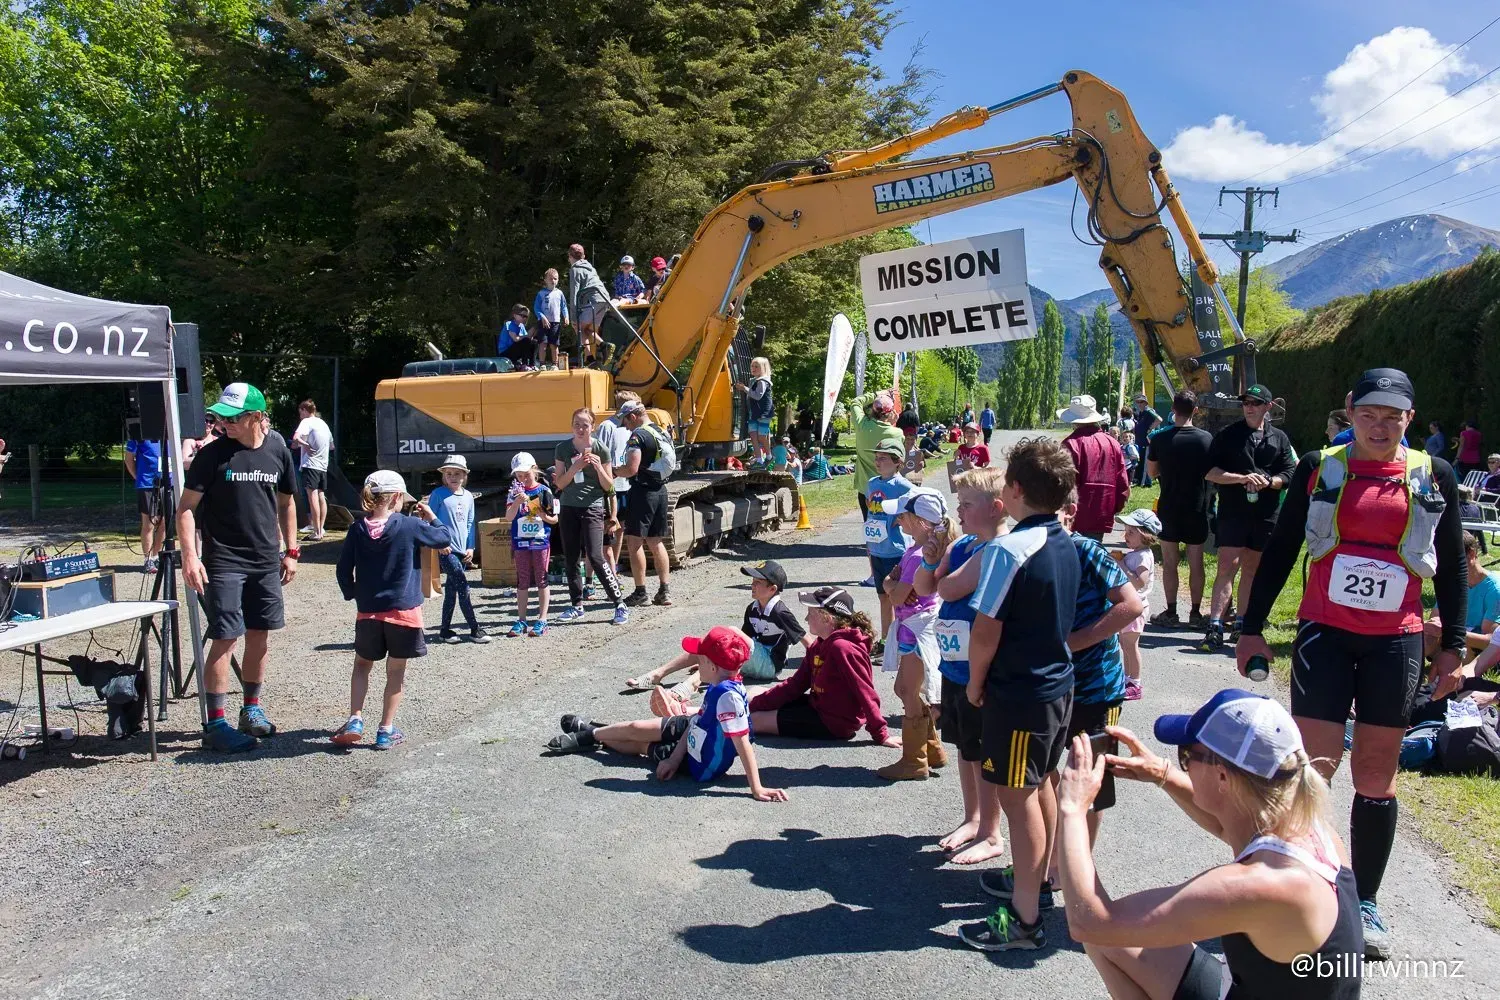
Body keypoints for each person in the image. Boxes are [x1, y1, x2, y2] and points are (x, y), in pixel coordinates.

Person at [1236, 367, 1465, 959]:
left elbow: (1453, 564)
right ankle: (1291, 887)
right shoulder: (1320, 466)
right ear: (1350, 412)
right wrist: (1252, 627)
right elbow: (1285, 544)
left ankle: (1362, 902)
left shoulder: (1432, 474)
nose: (1380, 426)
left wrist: (1455, 646)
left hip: (1397, 639)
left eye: (1393, 417)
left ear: (1409, 421)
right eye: (1369, 414)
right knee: (1312, 768)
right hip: (1326, 635)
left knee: (1376, 771)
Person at [1055, 689, 1361, 998]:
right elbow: (1225, 825)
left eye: (1187, 756)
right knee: (1112, 942)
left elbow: (1089, 921)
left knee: (1105, 935)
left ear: (1223, 779)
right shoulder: (1307, 828)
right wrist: (1162, 773)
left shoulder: (1263, 885)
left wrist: (1072, 808)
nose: (1183, 763)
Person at [957, 436, 1080, 951]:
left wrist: (976, 684)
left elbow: (985, 632)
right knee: (1042, 784)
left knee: (1019, 798)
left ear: (1014, 490)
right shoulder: (1065, 540)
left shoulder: (1009, 549)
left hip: (1018, 692)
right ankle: (1040, 885)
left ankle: (1024, 919)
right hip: (1056, 686)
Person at [1027, 494, 1142, 891]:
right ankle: (1046, 860)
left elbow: (1130, 606)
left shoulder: (1085, 549)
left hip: (1096, 687)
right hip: (1048, 683)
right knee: (1041, 772)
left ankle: (1073, 872)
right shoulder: (1026, 549)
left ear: (1070, 513)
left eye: (1049, 512)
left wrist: (1072, 643)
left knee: (1089, 780)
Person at [178, 383, 299, 753]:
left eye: (232, 418)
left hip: (265, 561)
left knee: (260, 634)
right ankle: (215, 725)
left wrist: (291, 550)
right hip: (224, 561)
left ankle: (252, 711)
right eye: (219, 417)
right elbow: (184, 509)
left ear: (257, 417)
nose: (222, 423)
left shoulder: (278, 447)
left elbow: (287, 502)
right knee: (226, 637)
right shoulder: (211, 455)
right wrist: (190, 556)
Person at [546, 626, 789, 802]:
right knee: (637, 728)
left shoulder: (728, 697)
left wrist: (756, 788)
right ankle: (592, 732)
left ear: (713, 667)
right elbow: (697, 721)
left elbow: (743, 743)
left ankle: (592, 736)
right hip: (694, 733)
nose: (695, 663)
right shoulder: (720, 683)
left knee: (642, 745)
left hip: (697, 761)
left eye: (699, 660)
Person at [917, 467, 1011, 864]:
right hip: (954, 665)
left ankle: (992, 830)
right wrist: (932, 556)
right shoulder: (965, 545)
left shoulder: (999, 549)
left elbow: (947, 588)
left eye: (967, 503)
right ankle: (972, 818)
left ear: (995, 508)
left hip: (982, 668)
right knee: (965, 747)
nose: (959, 509)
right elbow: (924, 586)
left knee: (986, 751)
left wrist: (943, 573)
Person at [331, 471, 453, 749]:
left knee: (362, 665)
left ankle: (355, 718)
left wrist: (353, 593)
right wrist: (431, 515)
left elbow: (342, 569)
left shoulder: (357, 528)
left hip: (369, 612)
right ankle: (385, 730)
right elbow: (443, 538)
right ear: (398, 497)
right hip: (404, 613)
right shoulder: (410, 525)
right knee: (395, 672)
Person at [1199, 383, 1297, 652]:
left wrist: (1270, 482)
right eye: (1246, 403)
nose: (1249, 407)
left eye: (1255, 403)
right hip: (1233, 513)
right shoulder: (1227, 436)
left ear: (1268, 407)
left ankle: (1242, 623)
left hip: (1266, 514)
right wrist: (1241, 478)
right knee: (1226, 568)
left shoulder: (1280, 438)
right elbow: (1209, 471)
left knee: (1252, 569)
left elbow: (1289, 473)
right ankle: (1215, 624)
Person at [749, 586, 893, 745]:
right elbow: (795, 686)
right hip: (817, 707)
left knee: (752, 721)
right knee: (752, 695)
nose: (806, 619)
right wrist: (755, 704)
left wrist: (881, 734)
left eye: (811, 614)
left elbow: (865, 692)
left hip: (834, 723)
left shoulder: (842, 649)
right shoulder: (819, 645)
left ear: (827, 619)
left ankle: (721, 728)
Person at [876, 489, 952, 781]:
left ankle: (913, 761)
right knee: (906, 690)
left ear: (921, 521)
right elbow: (893, 589)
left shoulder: (916, 556)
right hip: (913, 628)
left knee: (908, 691)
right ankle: (931, 748)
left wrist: (890, 584)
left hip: (917, 630)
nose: (898, 521)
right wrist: (890, 583)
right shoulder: (917, 551)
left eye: (903, 516)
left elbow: (896, 596)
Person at [552, 407, 628, 625]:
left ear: (592, 427)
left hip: (593, 507)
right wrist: (575, 466)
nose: (580, 428)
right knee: (571, 558)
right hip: (568, 507)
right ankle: (576, 605)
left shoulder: (601, 448)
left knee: (596, 556)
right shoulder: (563, 448)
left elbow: (608, 485)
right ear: (571, 425)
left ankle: (619, 603)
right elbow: (560, 483)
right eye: (576, 424)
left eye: (585, 424)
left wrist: (597, 467)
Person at [1148, 390, 1213, 629]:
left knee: (1169, 561)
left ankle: (1172, 611)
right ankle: (1196, 614)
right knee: (1196, 562)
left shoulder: (1159, 439)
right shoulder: (1206, 439)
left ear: (1173, 410)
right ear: (1196, 410)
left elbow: (1152, 472)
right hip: (1197, 507)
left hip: (1169, 507)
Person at [616, 399, 673, 608]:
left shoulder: (638, 435)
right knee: (656, 542)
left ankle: (641, 592)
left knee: (634, 542)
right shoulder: (661, 430)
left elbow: (631, 468)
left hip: (642, 492)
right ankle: (664, 591)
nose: (625, 426)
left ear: (632, 416)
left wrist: (613, 471)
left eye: (625, 421)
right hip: (661, 490)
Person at [428, 454, 489, 644]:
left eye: (456, 473)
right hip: (446, 550)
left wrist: (471, 547)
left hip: (463, 550)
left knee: (453, 590)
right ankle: (474, 628)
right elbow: (429, 520)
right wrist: (439, 544)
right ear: (443, 476)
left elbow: (470, 523)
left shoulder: (469, 496)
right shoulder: (438, 494)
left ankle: (445, 630)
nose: (452, 477)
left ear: (464, 475)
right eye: (448, 473)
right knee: (463, 585)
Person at [1058, 394, 1128, 542]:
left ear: (1074, 421)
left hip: (1075, 514)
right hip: (1102, 510)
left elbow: (1063, 484)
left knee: (1075, 559)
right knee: (1093, 556)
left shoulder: (1070, 444)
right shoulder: (1113, 443)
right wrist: (1115, 507)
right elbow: (1122, 482)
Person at [505, 452, 557, 637]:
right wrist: (517, 502)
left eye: (526, 474)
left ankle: (542, 619)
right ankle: (521, 620)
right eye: (519, 475)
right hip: (520, 541)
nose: (523, 478)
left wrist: (539, 512)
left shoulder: (544, 491)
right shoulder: (514, 491)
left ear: (534, 470)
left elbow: (554, 519)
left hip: (540, 541)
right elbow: (508, 518)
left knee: (541, 578)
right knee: (523, 579)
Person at [1423, 530, 1498, 659]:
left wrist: (1452, 632)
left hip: (1476, 649)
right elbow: (1435, 618)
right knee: (1425, 636)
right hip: (1453, 639)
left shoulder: (1495, 590)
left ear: (1471, 554)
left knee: (1458, 648)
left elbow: (1491, 642)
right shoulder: (1450, 583)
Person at [864, 440, 912, 639]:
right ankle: (886, 641)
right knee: (883, 598)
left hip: (895, 549)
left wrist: (900, 520)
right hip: (876, 549)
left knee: (898, 599)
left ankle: (902, 641)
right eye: (876, 458)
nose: (878, 461)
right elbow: (870, 511)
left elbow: (915, 508)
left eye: (883, 458)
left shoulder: (903, 485)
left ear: (897, 461)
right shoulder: (872, 483)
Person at [1113, 509, 1159, 701]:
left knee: (1131, 646)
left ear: (1145, 535)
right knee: (1125, 644)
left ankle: (1136, 682)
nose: (1126, 535)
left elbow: (1139, 581)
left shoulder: (1143, 556)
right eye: (1126, 531)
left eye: (1131, 532)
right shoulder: (1135, 554)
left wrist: (1121, 564)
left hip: (1136, 607)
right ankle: (1128, 679)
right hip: (1128, 606)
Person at [850, 374, 903, 522]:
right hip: (887, 486)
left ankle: (870, 544)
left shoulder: (862, 425)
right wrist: (893, 424)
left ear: (873, 409)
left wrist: (877, 394)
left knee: (869, 523)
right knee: (888, 524)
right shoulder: (897, 433)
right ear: (891, 412)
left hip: (865, 488)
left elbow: (856, 402)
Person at [291, 399, 333, 542]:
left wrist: (305, 445)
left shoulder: (306, 422)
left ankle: (316, 531)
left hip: (311, 464)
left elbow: (295, 438)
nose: (300, 416)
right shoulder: (323, 424)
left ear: (304, 410)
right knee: (321, 496)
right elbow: (331, 446)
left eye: (300, 412)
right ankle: (321, 529)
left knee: (312, 496)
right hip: (323, 465)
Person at [123, 437, 165, 572]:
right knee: (149, 522)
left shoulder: (169, 432)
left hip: (166, 484)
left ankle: (156, 557)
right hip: (147, 484)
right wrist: (138, 477)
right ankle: (148, 559)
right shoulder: (139, 435)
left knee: (164, 522)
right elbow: (129, 459)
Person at [567, 243, 610, 367]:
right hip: (604, 298)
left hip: (594, 299)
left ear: (570, 256)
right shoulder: (590, 267)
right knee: (588, 329)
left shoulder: (575, 269)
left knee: (578, 327)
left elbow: (574, 293)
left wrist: (573, 317)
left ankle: (591, 359)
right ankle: (603, 345)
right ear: (584, 256)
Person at [736, 357, 774, 466]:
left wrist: (744, 388)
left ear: (763, 368)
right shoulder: (753, 380)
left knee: (761, 436)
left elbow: (757, 396)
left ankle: (769, 456)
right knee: (753, 436)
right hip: (754, 413)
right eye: (752, 366)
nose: (753, 368)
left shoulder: (763, 381)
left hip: (763, 413)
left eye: (756, 366)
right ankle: (759, 460)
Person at [532, 268, 569, 371]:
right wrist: (542, 317)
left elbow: (564, 306)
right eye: (551, 279)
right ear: (545, 280)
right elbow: (536, 308)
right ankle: (542, 364)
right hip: (543, 322)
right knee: (542, 343)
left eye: (555, 279)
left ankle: (555, 364)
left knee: (554, 344)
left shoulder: (559, 293)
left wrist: (566, 317)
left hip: (555, 322)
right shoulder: (541, 293)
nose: (553, 281)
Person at [1131, 394, 1162, 487]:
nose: (1139, 404)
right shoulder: (1141, 413)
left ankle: (1146, 482)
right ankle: (1140, 479)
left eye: (1141, 402)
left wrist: (1150, 428)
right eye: (1137, 402)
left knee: (1145, 462)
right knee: (1141, 461)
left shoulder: (1149, 411)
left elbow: (1159, 419)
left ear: (1145, 403)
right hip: (1139, 441)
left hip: (1146, 441)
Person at [496, 303, 536, 370]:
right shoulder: (509, 324)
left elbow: (527, 339)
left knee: (534, 342)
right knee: (526, 340)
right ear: (514, 315)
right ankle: (524, 364)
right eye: (522, 315)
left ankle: (532, 365)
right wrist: (527, 336)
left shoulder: (522, 326)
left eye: (526, 316)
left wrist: (534, 331)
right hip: (505, 353)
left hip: (515, 352)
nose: (524, 318)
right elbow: (515, 339)